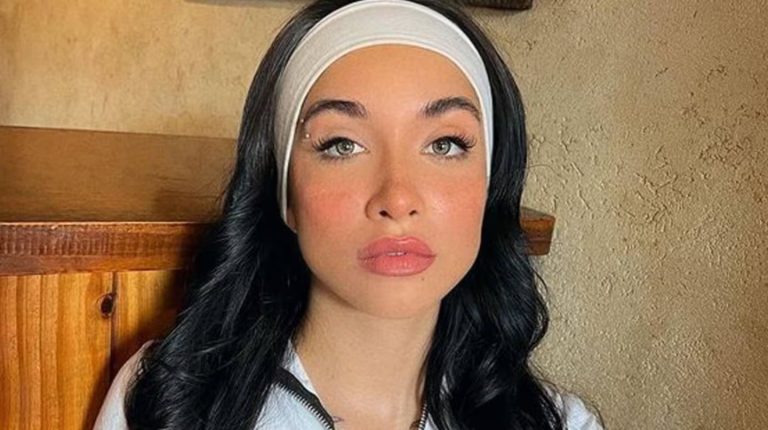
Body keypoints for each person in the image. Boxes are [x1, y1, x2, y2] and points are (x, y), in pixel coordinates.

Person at [94, 0, 604, 429]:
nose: (397, 197)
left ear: (490, 185)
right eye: (342, 145)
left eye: (445, 144)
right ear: (285, 194)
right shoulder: (171, 400)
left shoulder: (560, 424)